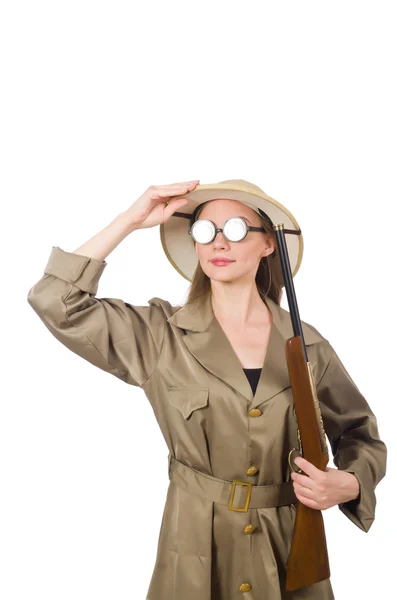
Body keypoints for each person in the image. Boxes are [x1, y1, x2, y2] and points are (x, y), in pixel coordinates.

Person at [27, 179, 387, 599]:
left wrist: (351, 482)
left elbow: (360, 433)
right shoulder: (159, 334)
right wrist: (129, 220)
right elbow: (56, 301)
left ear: (268, 243)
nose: (219, 242)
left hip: (289, 550)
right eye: (204, 231)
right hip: (196, 547)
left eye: (235, 230)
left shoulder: (306, 344)